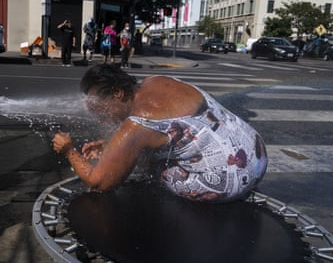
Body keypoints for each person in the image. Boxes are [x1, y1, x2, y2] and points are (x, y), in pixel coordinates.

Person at [52, 64, 268, 203]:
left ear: (117, 92)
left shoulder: (138, 125)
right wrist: (112, 146)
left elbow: (100, 182)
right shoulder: (155, 80)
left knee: (148, 162)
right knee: (144, 149)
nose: (102, 119)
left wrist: (70, 150)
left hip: (233, 180)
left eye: (103, 110)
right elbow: (167, 129)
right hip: (256, 152)